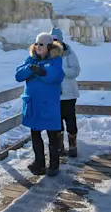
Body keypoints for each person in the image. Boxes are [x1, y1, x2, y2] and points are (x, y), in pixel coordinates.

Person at [15, 32, 65, 176]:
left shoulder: (56, 60)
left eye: (41, 44)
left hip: (48, 105)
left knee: (52, 136)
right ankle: (39, 163)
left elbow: (53, 76)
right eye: (36, 43)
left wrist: (36, 71)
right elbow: (18, 75)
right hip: (33, 104)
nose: (37, 46)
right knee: (35, 135)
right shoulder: (31, 59)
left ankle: (54, 165)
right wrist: (31, 69)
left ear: (49, 46)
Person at [50, 27, 81, 158]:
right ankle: (60, 146)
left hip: (68, 94)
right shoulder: (48, 53)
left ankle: (73, 145)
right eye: (52, 40)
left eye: (56, 40)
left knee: (70, 119)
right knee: (57, 121)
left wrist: (60, 70)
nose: (54, 42)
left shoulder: (69, 53)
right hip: (54, 94)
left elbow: (75, 71)